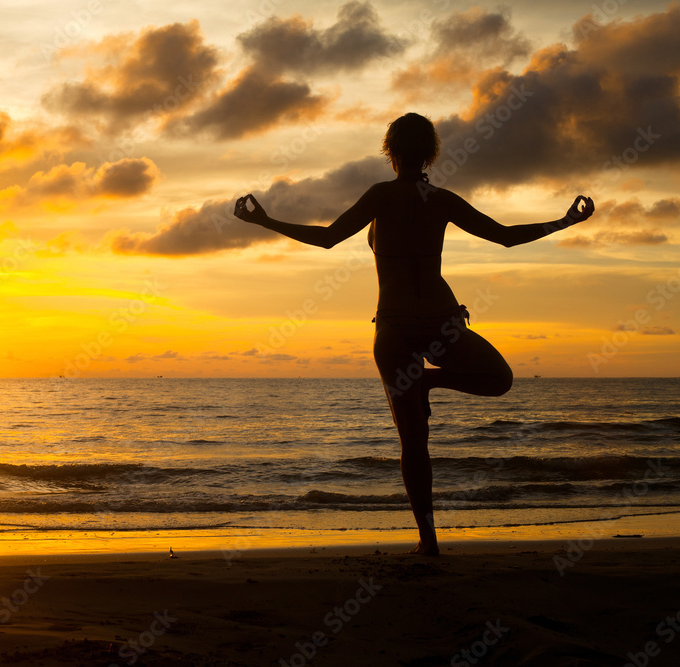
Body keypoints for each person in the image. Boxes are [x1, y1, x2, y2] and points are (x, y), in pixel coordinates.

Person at [233, 112, 594, 556]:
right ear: (431, 153)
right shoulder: (439, 198)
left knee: (413, 444)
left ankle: (429, 543)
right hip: (441, 321)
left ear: (390, 151)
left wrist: (265, 221)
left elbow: (327, 238)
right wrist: (564, 222)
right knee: (500, 379)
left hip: (396, 328)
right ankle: (432, 384)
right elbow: (505, 237)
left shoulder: (381, 196)